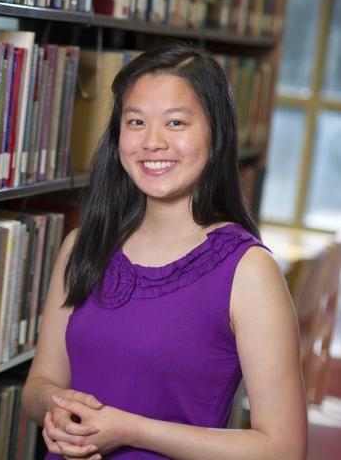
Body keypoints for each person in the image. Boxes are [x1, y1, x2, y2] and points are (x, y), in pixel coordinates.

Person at [21, 43, 308, 460]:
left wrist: (131, 430)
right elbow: (39, 383)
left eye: (176, 122)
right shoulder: (82, 245)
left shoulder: (249, 270)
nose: (152, 142)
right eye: (135, 121)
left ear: (216, 133)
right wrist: (55, 406)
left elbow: (284, 448)